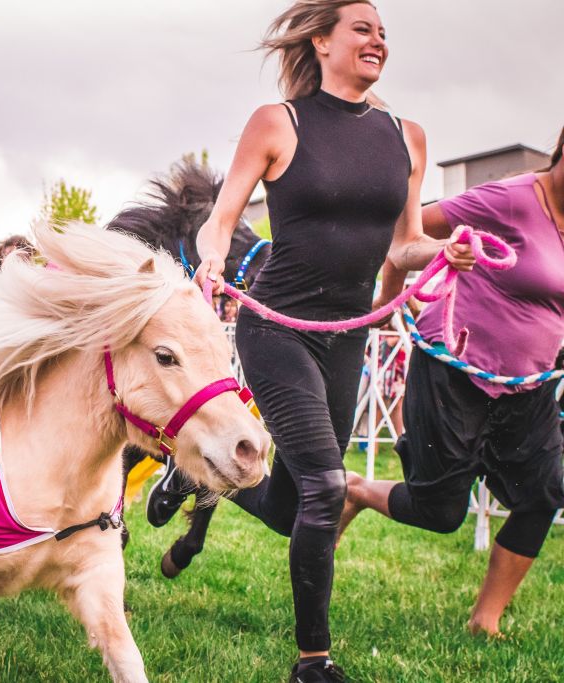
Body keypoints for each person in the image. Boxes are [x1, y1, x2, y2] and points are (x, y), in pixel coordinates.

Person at [192, 3, 474, 680]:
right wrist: (209, 260)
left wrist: (445, 250)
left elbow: (403, 245)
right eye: (362, 28)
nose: (377, 39)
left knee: (294, 508)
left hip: (349, 336)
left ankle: (202, 477)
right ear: (321, 41)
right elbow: (221, 218)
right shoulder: (278, 123)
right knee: (325, 486)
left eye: (383, 32)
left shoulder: (407, 136)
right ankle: (313, 660)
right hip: (277, 327)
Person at [342, 124, 564, 638]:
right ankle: (355, 490)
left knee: (542, 495)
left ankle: (485, 619)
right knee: (438, 511)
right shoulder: (510, 199)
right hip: (454, 371)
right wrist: (390, 299)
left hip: (528, 386)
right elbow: (407, 235)